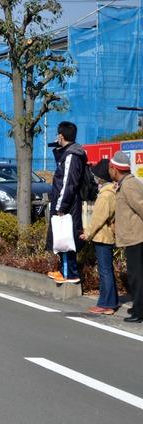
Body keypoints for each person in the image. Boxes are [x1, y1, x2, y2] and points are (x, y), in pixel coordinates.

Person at [46, 121, 87, 284]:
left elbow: (68, 183)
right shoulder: (70, 153)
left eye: (58, 135)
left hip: (68, 205)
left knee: (66, 237)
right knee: (63, 237)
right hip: (68, 203)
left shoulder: (71, 156)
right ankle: (66, 271)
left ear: (61, 136)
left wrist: (60, 207)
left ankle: (70, 273)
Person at [80, 159, 117, 315]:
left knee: (104, 271)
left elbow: (98, 219)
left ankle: (105, 304)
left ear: (101, 176)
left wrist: (87, 233)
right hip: (108, 235)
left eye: (95, 175)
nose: (94, 177)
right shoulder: (112, 192)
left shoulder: (105, 195)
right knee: (107, 269)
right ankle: (112, 301)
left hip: (102, 237)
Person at [109, 151, 143, 323]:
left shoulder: (129, 185)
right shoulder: (126, 184)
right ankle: (138, 308)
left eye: (110, 168)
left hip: (136, 238)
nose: (109, 171)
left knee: (136, 277)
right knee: (136, 276)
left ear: (115, 169)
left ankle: (139, 312)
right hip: (133, 237)